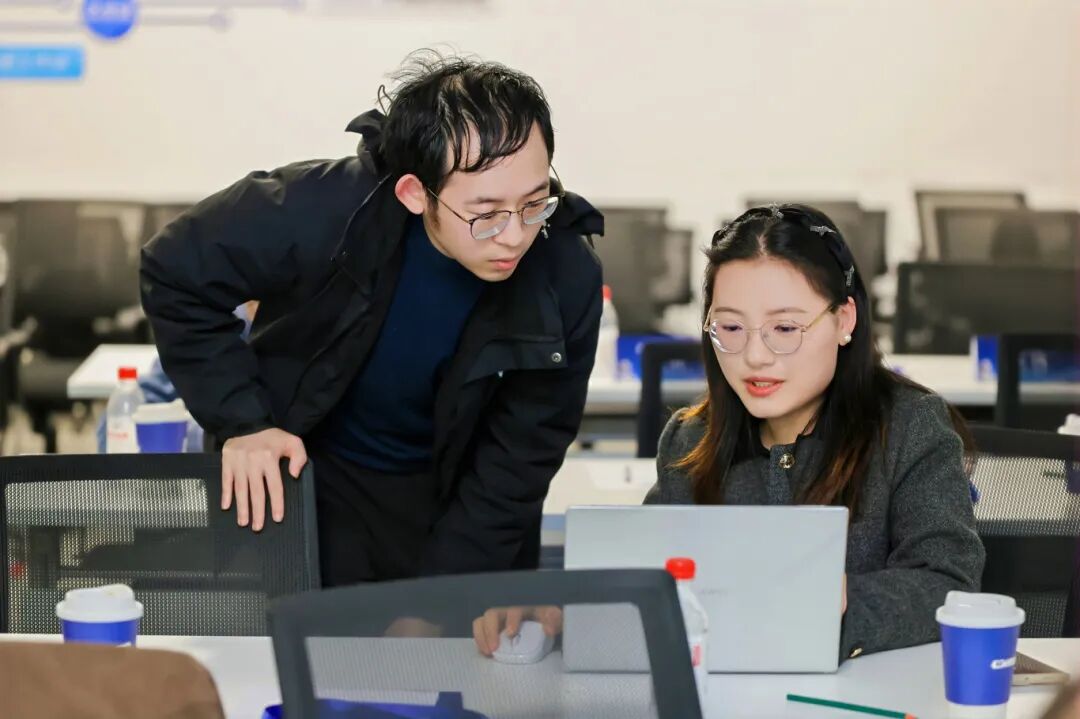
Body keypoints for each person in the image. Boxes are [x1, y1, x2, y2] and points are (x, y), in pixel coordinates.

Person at [140, 51, 603, 585]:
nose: (515, 236)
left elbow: (519, 460)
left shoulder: (564, 272)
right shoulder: (324, 209)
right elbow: (174, 269)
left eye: (535, 203)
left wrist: (440, 602)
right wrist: (243, 423)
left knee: (443, 634)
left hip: (461, 505)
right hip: (310, 480)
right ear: (414, 192)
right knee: (299, 632)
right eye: (485, 214)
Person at [643, 204, 985, 660]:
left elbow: (949, 584)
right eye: (731, 327)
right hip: (718, 689)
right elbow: (643, 577)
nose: (755, 356)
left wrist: (839, 599)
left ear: (844, 321)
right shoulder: (689, 440)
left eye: (785, 328)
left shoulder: (908, 428)